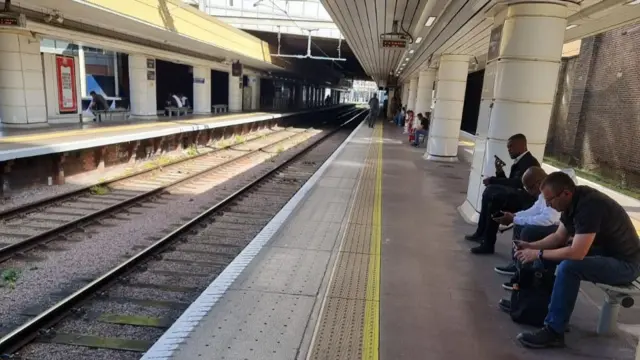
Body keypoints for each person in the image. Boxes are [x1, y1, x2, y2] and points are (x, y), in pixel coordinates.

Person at [514, 172, 640, 348]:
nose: (548, 204)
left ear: (565, 193)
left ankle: (554, 331)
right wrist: (531, 246)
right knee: (554, 256)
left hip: (626, 265)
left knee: (568, 267)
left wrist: (539, 254)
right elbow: (558, 237)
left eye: (550, 200)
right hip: (606, 253)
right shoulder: (572, 202)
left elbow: (577, 253)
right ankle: (531, 306)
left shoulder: (590, 206)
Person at [466, 134, 541, 254]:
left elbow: (518, 184)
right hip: (517, 196)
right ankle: (481, 233)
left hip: (525, 201)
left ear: (522, 146)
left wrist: (494, 180)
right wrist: (500, 172)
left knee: (494, 199)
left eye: (511, 146)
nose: (509, 150)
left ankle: (487, 243)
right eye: (508, 147)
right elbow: (510, 185)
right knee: (491, 194)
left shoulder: (529, 162)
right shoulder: (521, 160)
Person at [492, 167, 561, 281]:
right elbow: (535, 210)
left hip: (560, 228)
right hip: (553, 224)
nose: (527, 191)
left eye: (529, 188)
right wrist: (515, 216)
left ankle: (524, 275)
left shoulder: (553, 191)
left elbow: (548, 219)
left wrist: (514, 220)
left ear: (538, 183)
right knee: (520, 224)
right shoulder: (544, 191)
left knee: (528, 231)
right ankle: (518, 264)